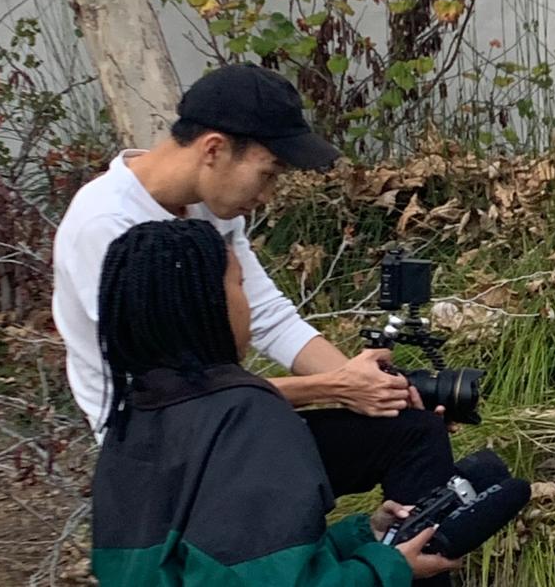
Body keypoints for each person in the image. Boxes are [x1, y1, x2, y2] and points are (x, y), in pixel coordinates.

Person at [51, 64, 456, 584]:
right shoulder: (106, 228)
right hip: (163, 460)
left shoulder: (208, 208)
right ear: (215, 149)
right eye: (269, 173)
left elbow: (268, 316)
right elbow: (166, 400)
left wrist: (375, 390)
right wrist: (329, 387)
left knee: (411, 432)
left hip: (227, 428)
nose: (267, 195)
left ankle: (411, 562)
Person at [90, 219, 460, 585]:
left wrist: (363, 535)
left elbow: (224, 568)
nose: (247, 304)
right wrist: (389, 568)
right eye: (238, 285)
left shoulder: (128, 426)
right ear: (209, 303)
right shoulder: (247, 417)